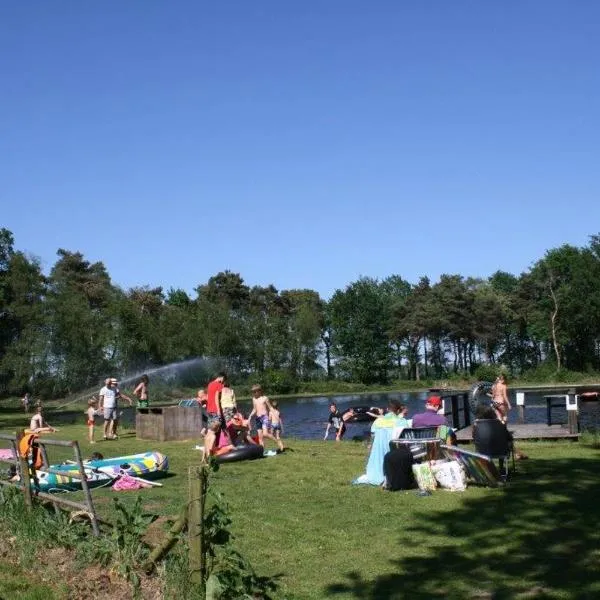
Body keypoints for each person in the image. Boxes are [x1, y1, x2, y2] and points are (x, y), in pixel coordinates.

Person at [248, 384, 284, 451]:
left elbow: (270, 407)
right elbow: (254, 409)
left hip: (264, 417)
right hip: (258, 418)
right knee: (260, 437)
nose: (254, 393)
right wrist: (250, 416)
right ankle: (262, 451)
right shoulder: (254, 399)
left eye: (256, 391)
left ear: (260, 391)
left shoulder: (265, 398)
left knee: (265, 433)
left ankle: (278, 441)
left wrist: (275, 415)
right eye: (253, 392)